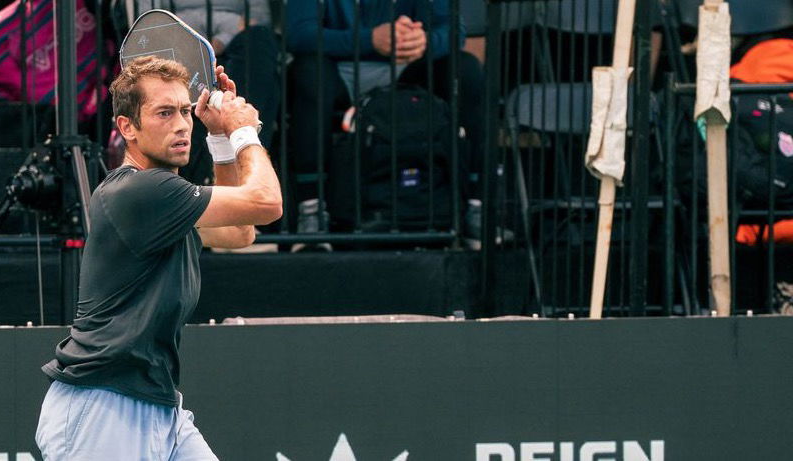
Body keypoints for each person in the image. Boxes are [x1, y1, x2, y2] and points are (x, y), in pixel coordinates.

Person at [35, 56, 282, 459]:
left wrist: (219, 138)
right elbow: (267, 202)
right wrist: (244, 133)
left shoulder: (169, 199)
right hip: (101, 404)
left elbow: (239, 233)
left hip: (158, 403)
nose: (183, 124)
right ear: (126, 127)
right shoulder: (141, 192)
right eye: (164, 113)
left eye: (185, 111)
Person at [285, 0, 484, 227]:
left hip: (408, 65)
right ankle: (311, 209)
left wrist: (424, 42)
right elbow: (298, 34)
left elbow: (454, 31)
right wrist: (370, 40)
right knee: (309, 72)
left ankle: (475, 207)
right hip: (336, 67)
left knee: (466, 69)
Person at [128, 0, 281, 186]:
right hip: (178, 55)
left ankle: (243, 147)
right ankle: (242, 150)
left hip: (236, 49)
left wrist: (217, 41)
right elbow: (151, 24)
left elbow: (257, 20)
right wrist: (199, 48)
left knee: (259, 42)